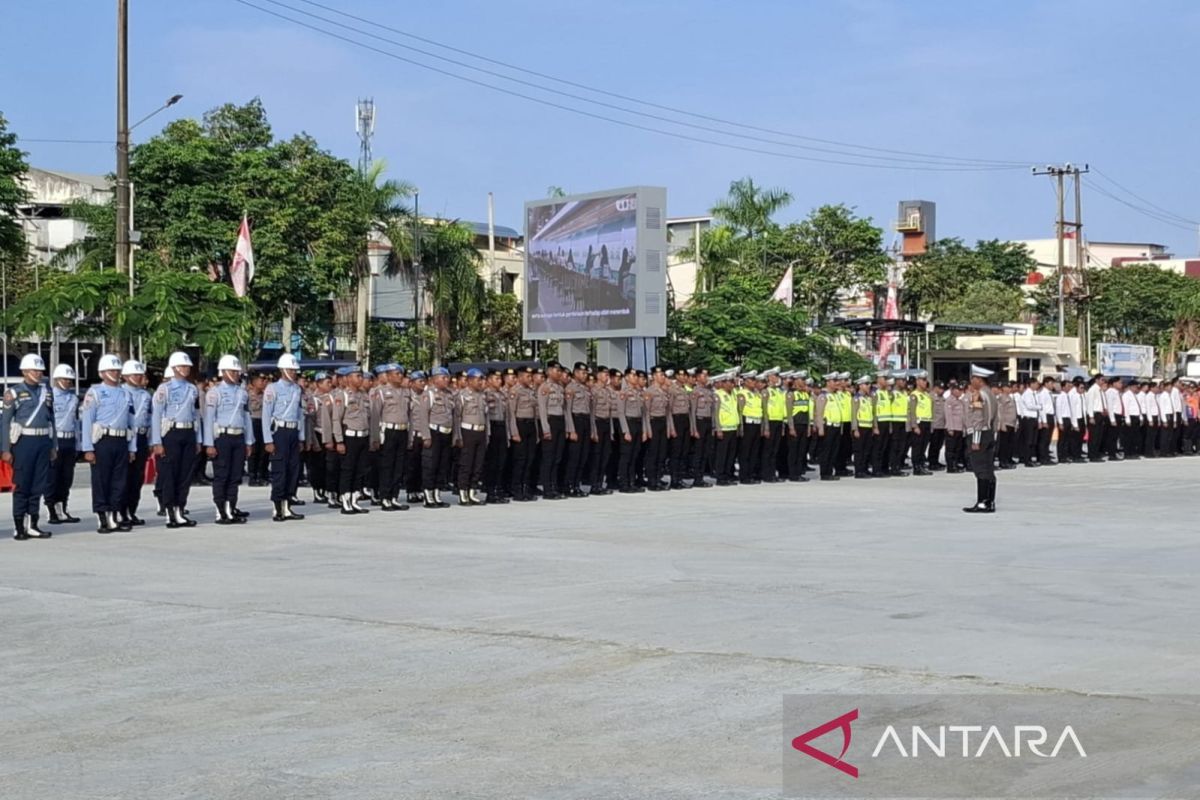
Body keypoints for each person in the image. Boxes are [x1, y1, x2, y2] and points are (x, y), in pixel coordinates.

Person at [80, 354, 138, 534]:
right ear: (102, 373)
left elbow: (132, 422)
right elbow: (87, 421)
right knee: (101, 480)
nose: (115, 373)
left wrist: (132, 447)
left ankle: (114, 514)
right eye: (111, 370)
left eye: (117, 370)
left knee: (119, 481)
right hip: (102, 440)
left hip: (121, 440)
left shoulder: (126, 393)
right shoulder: (95, 392)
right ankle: (102, 516)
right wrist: (88, 448)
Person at [152, 351, 202, 529]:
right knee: (170, 475)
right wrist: (157, 441)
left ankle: (180, 509)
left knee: (185, 474)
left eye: (188, 366)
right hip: (171, 433)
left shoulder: (192, 389)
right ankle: (169, 512)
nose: (186, 369)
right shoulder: (164, 389)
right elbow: (157, 415)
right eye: (182, 366)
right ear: (174, 368)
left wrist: (199, 438)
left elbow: (196, 415)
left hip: (188, 432)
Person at [203, 355, 254, 525]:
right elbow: (209, 419)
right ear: (223, 372)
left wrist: (249, 441)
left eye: (237, 371)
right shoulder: (214, 393)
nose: (236, 373)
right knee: (222, 475)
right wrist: (209, 443)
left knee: (235, 475)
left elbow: (246, 418)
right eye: (232, 371)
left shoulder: (242, 393)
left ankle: (230, 508)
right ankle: (220, 511)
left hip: (238, 436)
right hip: (222, 437)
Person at [263, 353, 307, 521]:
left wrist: (301, 437)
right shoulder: (272, 389)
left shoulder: (297, 389)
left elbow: (300, 415)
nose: (294, 372)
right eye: (290, 369)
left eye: (295, 370)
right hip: (279, 432)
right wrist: (268, 440)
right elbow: (267, 416)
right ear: (282, 370)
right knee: (280, 470)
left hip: (293, 432)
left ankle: (288, 506)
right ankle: (277, 508)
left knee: (293, 470)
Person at [332, 368, 373, 514]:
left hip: (363, 436)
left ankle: (355, 500)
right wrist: (339, 441)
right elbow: (336, 419)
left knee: (360, 470)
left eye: (361, 376)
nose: (360, 379)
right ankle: (345, 500)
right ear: (348, 378)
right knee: (348, 470)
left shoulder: (364, 395)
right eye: (357, 376)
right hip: (349, 437)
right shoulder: (342, 395)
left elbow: (369, 418)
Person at [46, 363, 81, 525]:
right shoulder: (49, 396)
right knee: (53, 477)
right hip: (55, 439)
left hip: (69, 440)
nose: (68, 382)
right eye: (64, 379)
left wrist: (78, 445)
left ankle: (63, 508)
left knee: (67, 478)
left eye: (70, 379)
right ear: (57, 379)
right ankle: (52, 510)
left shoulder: (74, 398)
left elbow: (76, 422)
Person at [963, 364, 999, 513]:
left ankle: (983, 502)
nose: (971, 381)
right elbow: (996, 417)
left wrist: (976, 440)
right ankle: (990, 501)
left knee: (981, 470)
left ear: (979, 379)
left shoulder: (977, 395)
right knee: (989, 469)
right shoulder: (990, 394)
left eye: (973, 378)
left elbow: (977, 418)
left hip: (979, 434)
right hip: (989, 433)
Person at [419, 366, 456, 509]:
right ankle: (428, 495)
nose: (447, 380)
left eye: (447, 377)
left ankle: (437, 493)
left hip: (446, 432)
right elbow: (423, 416)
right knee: (431, 465)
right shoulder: (428, 394)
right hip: (434, 432)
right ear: (434, 380)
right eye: (443, 377)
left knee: (442, 465)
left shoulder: (449, 394)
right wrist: (426, 436)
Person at [122, 360, 153, 525]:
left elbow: (149, 418)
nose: (139, 377)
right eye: (135, 374)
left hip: (141, 437)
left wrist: (150, 441)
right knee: (124, 477)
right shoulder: (121, 392)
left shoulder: (146, 395)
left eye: (141, 374)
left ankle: (132, 510)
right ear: (126, 376)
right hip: (126, 437)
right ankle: (121, 511)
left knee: (137, 478)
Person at [454, 368, 488, 506]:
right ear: (469, 380)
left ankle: (472, 492)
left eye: (481, 379)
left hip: (481, 431)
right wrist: (458, 436)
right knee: (466, 464)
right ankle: (463, 493)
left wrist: (487, 434)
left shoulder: (483, 395)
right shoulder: (462, 395)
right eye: (477, 379)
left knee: (478, 464)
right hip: (467, 431)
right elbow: (457, 416)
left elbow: (486, 417)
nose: (480, 382)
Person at [537, 361, 570, 500]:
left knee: (557, 457)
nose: (559, 373)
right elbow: (542, 410)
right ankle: (547, 488)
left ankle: (554, 486)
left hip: (560, 422)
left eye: (560, 371)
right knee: (548, 458)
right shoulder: (544, 387)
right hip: (550, 422)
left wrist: (568, 427)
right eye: (556, 371)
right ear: (549, 371)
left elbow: (565, 409)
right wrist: (545, 429)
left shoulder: (560, 387)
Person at [563, 362, 593, 497]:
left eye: (586, 373)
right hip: (576, 420)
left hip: (585, 421)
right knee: (574, 457)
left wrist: (592, 429)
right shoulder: (570, 388)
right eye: (582, 372)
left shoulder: (585, 388)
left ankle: (576, 484)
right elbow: (567, 410)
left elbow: (590, 411)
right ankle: (568, 485)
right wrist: (571, 429)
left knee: (584, 455)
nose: (585, 375)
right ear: (575, 373)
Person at [849, 375, 876, 479]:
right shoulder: (856, 398)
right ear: (860, 385)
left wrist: (873, 427)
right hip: (860, 427)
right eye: (867, 384)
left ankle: (864, 469)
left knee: (867, 450)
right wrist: (855, 429)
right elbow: (854, 414)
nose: (869, 386)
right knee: (859, 451)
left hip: (868, 427)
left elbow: (872, 414)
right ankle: (859, 471)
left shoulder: (868, 398)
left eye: (869, 384)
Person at [908, 371, 933, 476]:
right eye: (923, 380)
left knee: (923, 446)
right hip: (919, 422)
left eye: (925, 380)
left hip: (927, 421)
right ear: (918, 381)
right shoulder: (914, 395)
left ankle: (922, 464)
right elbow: (912, 411)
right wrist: (914, 425)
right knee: (917, 446)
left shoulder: (927, 395)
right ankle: (916, 467)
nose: (925, 382)